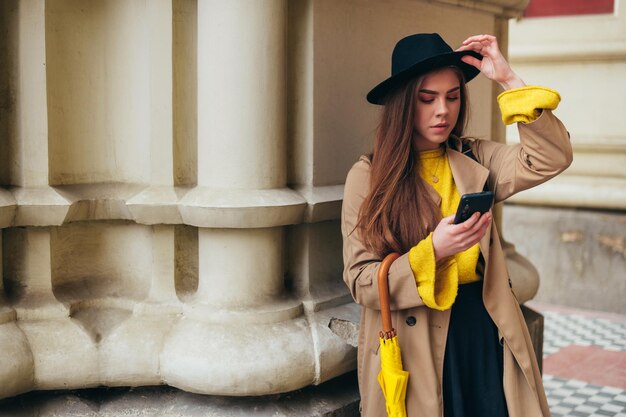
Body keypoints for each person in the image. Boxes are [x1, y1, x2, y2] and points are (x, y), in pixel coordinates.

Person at [341, 33, 572, 417]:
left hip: (483, 333)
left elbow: (550, 157)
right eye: (427, 99)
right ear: (402, 104)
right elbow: (360, 280)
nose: (442, 111)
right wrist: (433, 251)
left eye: (452, 96)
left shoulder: (473, 156)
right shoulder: (368, 177)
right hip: (417, 340)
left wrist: (509, 80)